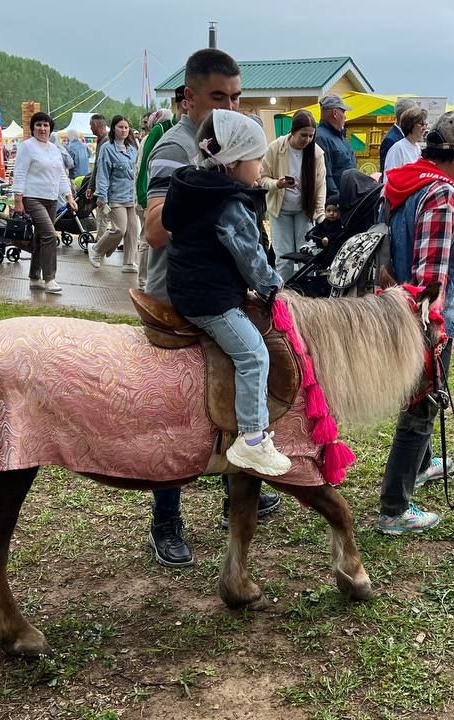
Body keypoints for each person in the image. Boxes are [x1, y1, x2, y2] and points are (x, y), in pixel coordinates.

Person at [141, 48, 282, 567]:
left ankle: (235, 495)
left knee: (232, 380)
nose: (231, 104)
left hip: (218, 288)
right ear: (189, 97)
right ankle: (167, 519)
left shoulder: (227, 146)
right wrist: (210, 196)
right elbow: (156, 229)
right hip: (173, 293)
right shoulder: (173, 149)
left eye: (236, 96)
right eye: (219, 96)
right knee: (174, 407)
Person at [378, 111, 454, 534]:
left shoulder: (406, 180)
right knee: (421, 406)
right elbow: (428, 280)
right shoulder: (442, 196)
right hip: (423, 319)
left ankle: (423, 466)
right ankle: (394, 508)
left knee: (421, 400)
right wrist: (435, 333)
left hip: (394, 310)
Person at [165, 108, 289, 476]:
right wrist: (271, 286)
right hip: (210, 299)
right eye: (255, 160)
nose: (260, 169)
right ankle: (252, 439)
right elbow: (250, 258)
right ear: (233, 161)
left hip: (186, 286)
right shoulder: (230, 203)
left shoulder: (190, 186)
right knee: (253, 354)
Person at [14, 112, 76, 294]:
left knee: (40, 237)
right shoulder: (26, 147)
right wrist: (18, 199)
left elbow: (61, 174)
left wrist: (69, 197)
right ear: (33, 128)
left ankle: (34, 277)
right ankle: (50, 278)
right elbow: (20, 172)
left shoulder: (55, 149)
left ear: (50, 129)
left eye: (46, 125)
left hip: (51, 199)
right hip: (33, 197)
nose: (42, 128)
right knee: (50, 235)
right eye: (39, 125)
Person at [260, 109, 326, 280]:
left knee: (307, 256)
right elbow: (262, 178)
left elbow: (320, 186)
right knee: (284, 258)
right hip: (280, 210)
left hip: (305, 210)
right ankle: (284, 296)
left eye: (311, 136)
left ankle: (306, 295)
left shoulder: (317, 153)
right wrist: (277, 184)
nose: (307, 140)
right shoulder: (275, 148)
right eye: (303, 135)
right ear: (293, 131)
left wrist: (320, 215)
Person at [136, 86, 186, 292]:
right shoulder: (162, 130)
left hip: (175, 203)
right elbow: (145, 164)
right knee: (149, 240)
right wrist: (143, 196)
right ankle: (144, 282)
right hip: (155, 197)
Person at [91, 115, 140, 274]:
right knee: (120, 229)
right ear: (113, 129)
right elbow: (103, 174)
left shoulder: (133, 149)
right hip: (115, 196)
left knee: (133, 230)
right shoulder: (107, 148)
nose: (124, 130)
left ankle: (129, 262)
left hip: (131, 196)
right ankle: (97, 249)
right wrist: (101, 197)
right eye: (120, 127)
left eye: (126, 127)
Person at [315, 94, 355, 201]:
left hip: (347, 200)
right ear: (335, 113)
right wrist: (336, 200)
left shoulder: (340, 138)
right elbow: (325, 174)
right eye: (343, 112)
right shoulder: (321, 138)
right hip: (335, 205)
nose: (345, 117)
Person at [379, 97, 420, 173]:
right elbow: (387, 172)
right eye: (415, 117)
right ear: (404, 117)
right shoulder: (391, 140)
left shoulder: (411, 139)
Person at [383, 106, 428, 172]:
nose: (424, 128)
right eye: (421, 124)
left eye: (425, 124)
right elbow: (389, 177)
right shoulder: (398, 148)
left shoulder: (417, 147)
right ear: (410, 125)